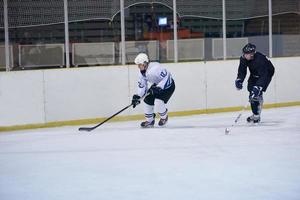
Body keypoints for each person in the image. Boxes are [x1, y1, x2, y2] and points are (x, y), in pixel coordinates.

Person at [131, 53, 175, 128]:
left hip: (168, 86)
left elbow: (167, 77)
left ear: (145, 63)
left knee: (158, 102)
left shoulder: (155, 68)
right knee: (147, 100)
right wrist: (138, 96)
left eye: (139, 64)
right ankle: (150, 121)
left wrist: (159, 87)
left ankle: (164, 117)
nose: (138, 66)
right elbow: (142, 86)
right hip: (157, 85)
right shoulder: (141, 73)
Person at [235, 43, 275, 123]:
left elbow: (264, 75)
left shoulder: (260, 60)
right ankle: (255, 113)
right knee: (250, 90)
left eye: (247, 54)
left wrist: (259, 87)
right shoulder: (243, 58)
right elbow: (242, 70)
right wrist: (239, 79)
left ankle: (256, 115)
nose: (245, 55)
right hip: (254, 73)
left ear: (252, 54)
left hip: (267, 73)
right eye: (244, 53)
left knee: (256, 93)